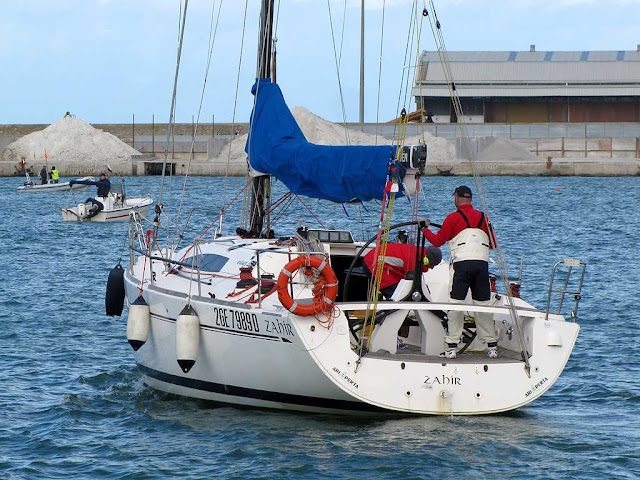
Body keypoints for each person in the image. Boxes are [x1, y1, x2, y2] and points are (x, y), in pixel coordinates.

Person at [419, 185, 499, 359]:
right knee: (483, 305)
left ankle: (452, 347)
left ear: (456, 197)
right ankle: (491, 346)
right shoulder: (484, 218)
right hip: (481, 266)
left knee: (455, 305)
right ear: (470, 199)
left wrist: (424, 229)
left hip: (462, 266)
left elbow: (438, 241)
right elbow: (493, 244)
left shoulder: (453, 218)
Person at [363, 243, 442, 300]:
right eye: (432, 265)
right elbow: (411, 285)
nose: (431, 268)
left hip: (379, 262)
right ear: (426, 260)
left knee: (399, 289)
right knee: (398, 294)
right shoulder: (413, 260)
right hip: (373, 264)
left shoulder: (417, 253)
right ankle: (391, 316)